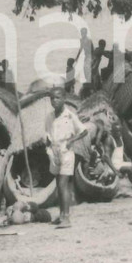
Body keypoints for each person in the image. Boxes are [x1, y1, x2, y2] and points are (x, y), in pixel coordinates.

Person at [45, 87, 88, 228]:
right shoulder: (49, 117)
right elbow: (47, 133)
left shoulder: (69, 115)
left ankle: (67, 217)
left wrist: (71, 140)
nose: (54, 101)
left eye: (57, 98)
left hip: (66, 150)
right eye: (52, 98)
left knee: (63, 184)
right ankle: (61, 214)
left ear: (64, 99)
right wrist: (48, 145)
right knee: (58, 184)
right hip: (54, 150)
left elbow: (83, 131)